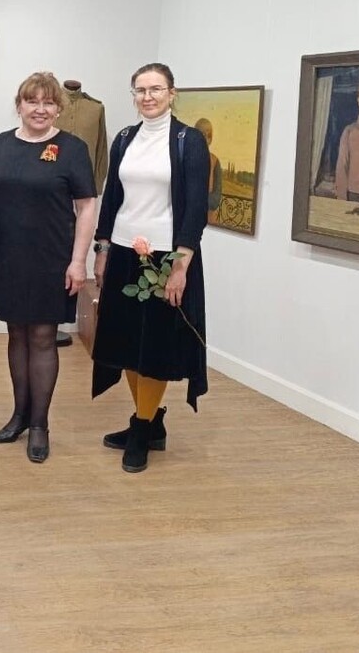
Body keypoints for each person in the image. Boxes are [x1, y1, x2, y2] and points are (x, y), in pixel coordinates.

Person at [91, 63, 210, 474]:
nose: (148, 97)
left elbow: (196, 209)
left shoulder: (189, 141)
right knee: (126, 343)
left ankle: (141, 429)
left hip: (163, 257)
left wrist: (181, 266)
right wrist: (102, 249)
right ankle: (150, 419)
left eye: (156, 89)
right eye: (140, 90)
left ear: (172, 93)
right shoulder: (125, 138)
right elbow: (111, 198)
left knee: (154, 347)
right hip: (124, 252)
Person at [0, 73, 97, 463]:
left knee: (43, 337)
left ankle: (40, 425)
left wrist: (79, 261)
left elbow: (87, 207)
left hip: (52, 258)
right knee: (16, 334)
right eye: (32, 101)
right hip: (7, 255)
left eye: (48, 103)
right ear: (19, 105)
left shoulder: (72, 149)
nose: (40, 109)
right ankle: (19, 416)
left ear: (58, 108)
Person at [194, 117, 224, 224]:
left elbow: (215, 201)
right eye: (201, 134)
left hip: (208, 221)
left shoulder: (215, 162)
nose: (205, 138)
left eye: (208, 135)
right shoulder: (184, 159)